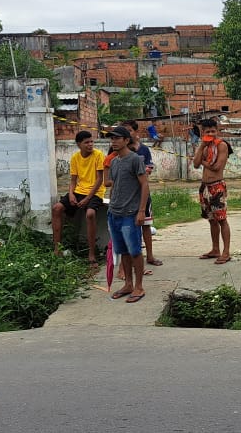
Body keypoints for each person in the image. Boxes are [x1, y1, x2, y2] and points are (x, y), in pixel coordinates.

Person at [105, 126, 149, 303]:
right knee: (123, 251)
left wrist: (141, 211)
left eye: (117, 138)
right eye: (112, 138)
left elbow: (144, 185)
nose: (114, 141)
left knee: (135, 251)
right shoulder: (114, 162)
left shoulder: (135, 159)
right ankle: (128, 284)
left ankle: (139, 286)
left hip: (130, 213)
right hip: (114, 212)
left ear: (126, 140)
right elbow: (113, 184)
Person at [52, 129, 106, 264]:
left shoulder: (98, 155)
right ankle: (57, 249)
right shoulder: (75, 157)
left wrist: (87, 199)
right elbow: (73, 180)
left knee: (90, 214)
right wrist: (71, 194)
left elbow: (100, 180)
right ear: (79, 144)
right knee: (57, 208)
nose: (90, 144)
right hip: (78, 191)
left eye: (92, 141)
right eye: (87, 142)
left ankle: (91, 253)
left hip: (95, 192)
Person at [115, 120, 163, 268]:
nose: (127, 134)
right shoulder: (119, 152)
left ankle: (149, 256)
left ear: (135, 132)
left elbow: (148, 169)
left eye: (129, 130)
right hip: (126, 196)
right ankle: (129, 263)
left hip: (142, 193)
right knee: (128, 227)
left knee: (146, 224)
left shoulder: (143, 150)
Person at [192, 117, 232, 264]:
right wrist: (202, 146)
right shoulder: (205, 146)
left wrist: (203, 161)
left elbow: (216, 167)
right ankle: (215, 249)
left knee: (221, 219)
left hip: (217, 186)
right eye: (207, 131)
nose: (211, 134)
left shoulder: (221, 145)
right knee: (211, 220)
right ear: (202, 132)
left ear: (217, 131)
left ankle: (226, 252)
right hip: (205, 187)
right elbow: (195, 164)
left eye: (213, 131)